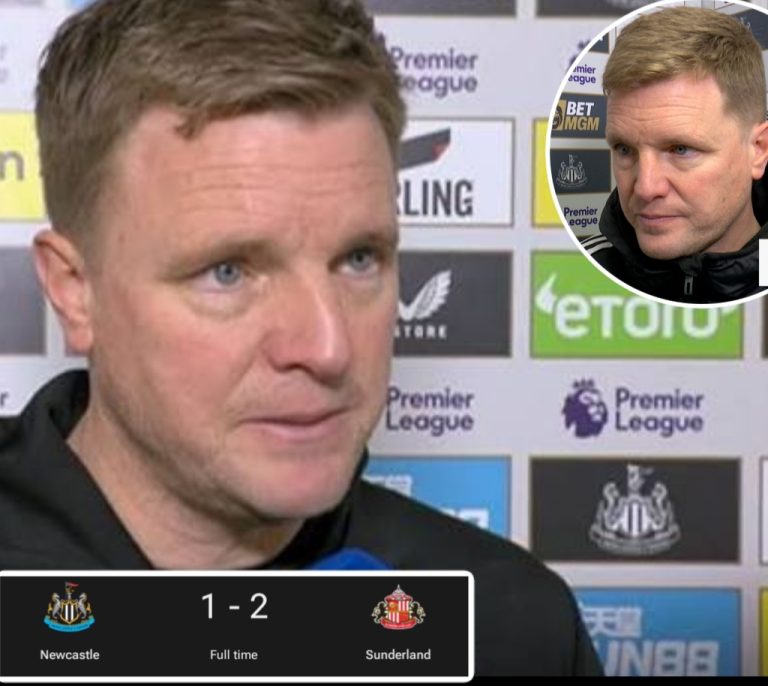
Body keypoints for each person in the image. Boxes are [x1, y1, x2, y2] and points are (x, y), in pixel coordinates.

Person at [0, 0, 601, 675]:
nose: (328, 347)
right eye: (228, 272)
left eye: (359, 259)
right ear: (74, 290)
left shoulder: (506, 624)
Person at [581, 6, 768, 304]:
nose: (645, 188)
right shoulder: (578, 273)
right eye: (625, 149)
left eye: (681, 149)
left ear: (758, 150)